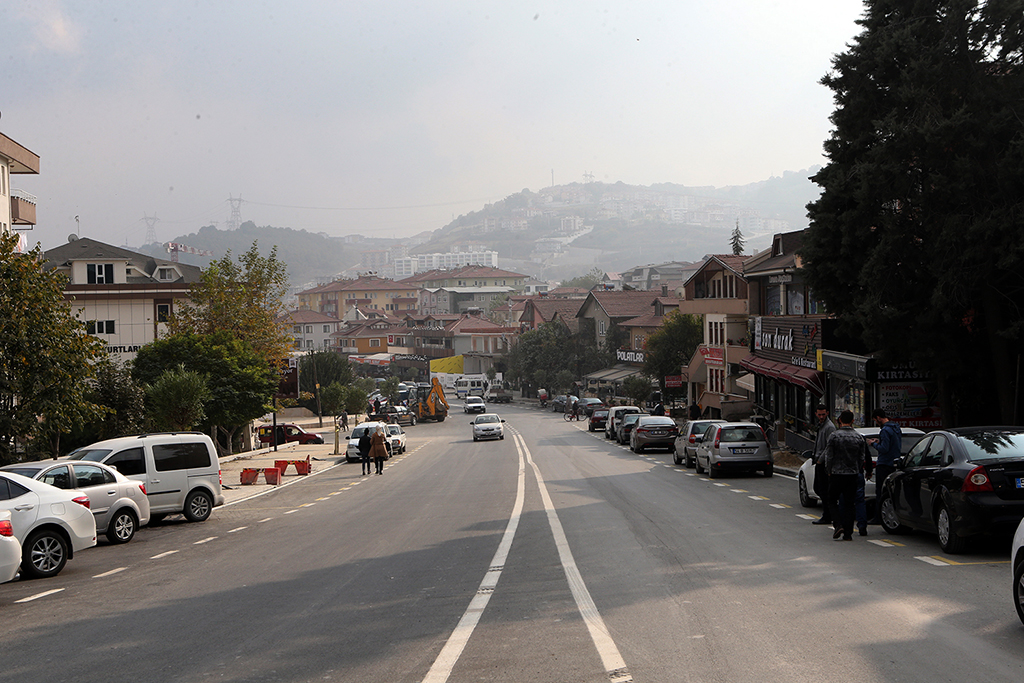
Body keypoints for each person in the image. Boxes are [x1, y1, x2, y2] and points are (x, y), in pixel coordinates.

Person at [823, 410, 874, 541]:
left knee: (832, 500)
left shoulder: (834, 436)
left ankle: (838, 524)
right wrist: (857, 470)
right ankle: (848, 533)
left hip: (836, 473)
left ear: (840, 420)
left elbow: (829, 456)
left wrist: (829, 470)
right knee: (850, 503)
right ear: (852, 421)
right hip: (852, 474)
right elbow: (861, 457)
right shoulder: (859, 437)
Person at [867, 408, 902, 523]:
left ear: (878, 418)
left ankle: (878, 517)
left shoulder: (885, 430)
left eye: (876, 420)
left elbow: (884, 449)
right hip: (894, 463)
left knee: (881, 492)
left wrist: (873, 444)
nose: (876, 423)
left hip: (884, 464)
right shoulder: (896, 428)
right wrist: (879, 441)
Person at [811, 404, 836, 526]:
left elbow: (829, 446)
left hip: (824, 463)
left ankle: (828, 515)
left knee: (824, 490)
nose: (821, 416)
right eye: (819, 414)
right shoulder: (821, 425)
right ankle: (828, 513)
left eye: (823, 414)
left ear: (827, 413)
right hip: (818, 461)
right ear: (816, 414)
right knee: (818, 488)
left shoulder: (829, 427)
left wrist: (820, 460)